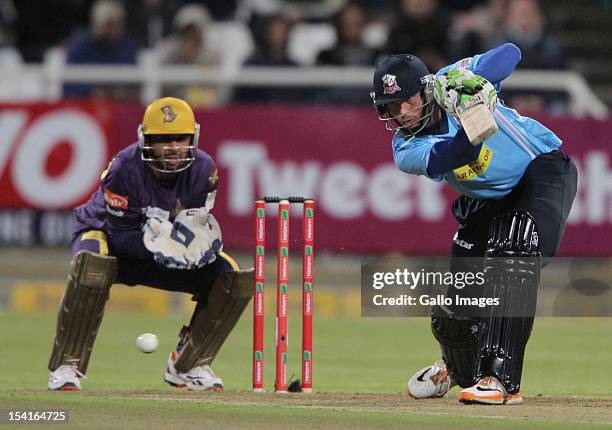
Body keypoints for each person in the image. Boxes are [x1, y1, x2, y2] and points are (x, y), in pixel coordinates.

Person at [370, 43, 577, 404]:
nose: (401, 113)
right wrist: (472, 110)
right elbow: (460, 152)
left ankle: (500, 379)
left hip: (541, 172)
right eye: (391, 106)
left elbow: (511, 53)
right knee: (455, 314)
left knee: (514, 247)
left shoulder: (450, 78)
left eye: (407, 100)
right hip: (487, 200)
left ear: (425, 89)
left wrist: (471, 81)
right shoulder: (405, 149)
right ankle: (457, 369)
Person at [47, 97, 252, 392]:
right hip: (112, 241)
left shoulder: (205, 170)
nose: (173, 147)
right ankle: (68, 365)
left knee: (233, 276)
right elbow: (120, 236)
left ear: (192, 137)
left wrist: (189, 249)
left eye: (180, 139)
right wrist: (158, 246)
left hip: (161, 253)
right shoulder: (123, 169)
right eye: (162, 139)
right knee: (93, 264)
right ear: (146, 139)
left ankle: (189, 364)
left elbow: (193, 229)